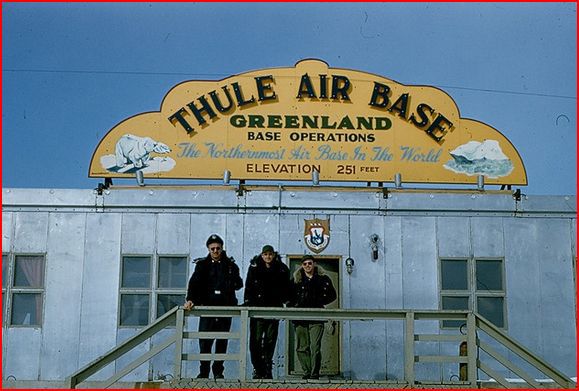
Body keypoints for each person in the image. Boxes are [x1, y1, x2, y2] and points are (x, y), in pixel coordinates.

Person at [184, 234, 243, 379]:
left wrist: (232, 279)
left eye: (218, 248)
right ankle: (204, 372)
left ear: (222, 249)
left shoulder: (230, 265)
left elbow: (239, 284)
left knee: (222, 342)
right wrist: (190, 299)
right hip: (207, 309)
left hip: (224, 309)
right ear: (208, 249)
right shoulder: (202, 265)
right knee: (205, 342)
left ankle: (218, 372)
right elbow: (194, 284)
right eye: (213, 249)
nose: (215, 251)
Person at [243, 245, 291, 379]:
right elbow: (249, 286)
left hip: (273, 308)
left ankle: (267, 367)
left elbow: (286, 288)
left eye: (270, 254)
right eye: (265, 254)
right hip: (258, 309)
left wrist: (287, 301)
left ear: (274, 255)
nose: (268, 257)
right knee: (256, 340)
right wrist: (248, 302)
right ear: (262, 255)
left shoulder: (282, 269)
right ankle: (258, 368)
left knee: (270, 339)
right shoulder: (254, 268)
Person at [290, 254, 337, 380]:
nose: (307, 266)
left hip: (317, 316)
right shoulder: (296, 279)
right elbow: (289, 295)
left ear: (314, 264)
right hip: (300, 317)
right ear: (301, 266)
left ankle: (314, 373)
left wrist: (319, 301)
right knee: (301, 347)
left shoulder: (323, 278)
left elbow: (332, 295)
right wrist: (294, 306)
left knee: (315, 346)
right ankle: (307, 371)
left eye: (309, 263)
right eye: (304, 264)